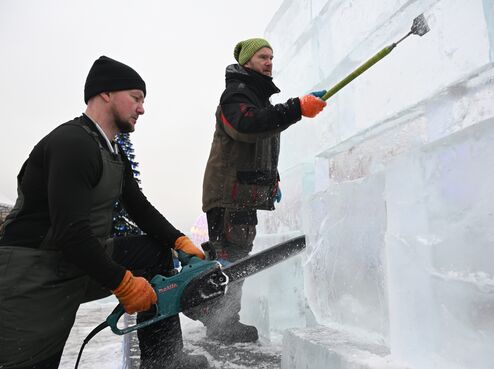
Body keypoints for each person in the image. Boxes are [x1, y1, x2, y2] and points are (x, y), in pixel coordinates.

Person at [0, 56, 209, 369]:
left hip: (75, 258)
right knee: (31, 360)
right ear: (105, 94)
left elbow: (138, 206)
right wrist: (122, 282)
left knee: (153, 254)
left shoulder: (110, 149)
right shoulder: (72, 143)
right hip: (34, 271)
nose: (142, 108)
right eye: (136, 98)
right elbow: (70, 232)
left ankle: (164, 360)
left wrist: (178, 240)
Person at [201, 38, 327, 343]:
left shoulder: (257, 99)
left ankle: (218, 315)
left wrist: (273, 179)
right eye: (262, 57)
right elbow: (246, 127)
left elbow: (259, 148)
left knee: (236, 255)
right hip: (229, 196)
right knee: (231, 257)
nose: (269, 62)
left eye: (271, 56)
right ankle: (221, 321)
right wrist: (296, 108)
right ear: (247, 63)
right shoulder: (237, 95)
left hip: (241, 193)